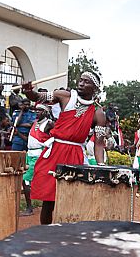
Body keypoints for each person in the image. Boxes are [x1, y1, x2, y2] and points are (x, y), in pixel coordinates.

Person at [23, 71, 108, 224]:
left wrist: (101, 165)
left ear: (95, 88)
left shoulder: (98, 113)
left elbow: (99, 143)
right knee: (49, 201)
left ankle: (68, 236)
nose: (81, 83)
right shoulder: (65, 96)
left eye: (87, 82)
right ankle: (46, 234)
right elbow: (37, 97)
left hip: (76, 156)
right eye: (81, 80)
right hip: (55, 152)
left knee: (73, 199)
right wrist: (29, 91)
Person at [22, 104, 53, 216]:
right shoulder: (35, 123)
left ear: (45, 112)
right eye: (36, 111)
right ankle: (30, 206)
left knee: (25, 179)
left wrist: (48, 145)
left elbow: (58, 136)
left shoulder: (49, 123)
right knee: (26, 180)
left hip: (39, 154)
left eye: (39, 111)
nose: (37, 113)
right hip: (29, 154)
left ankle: (30, 208)